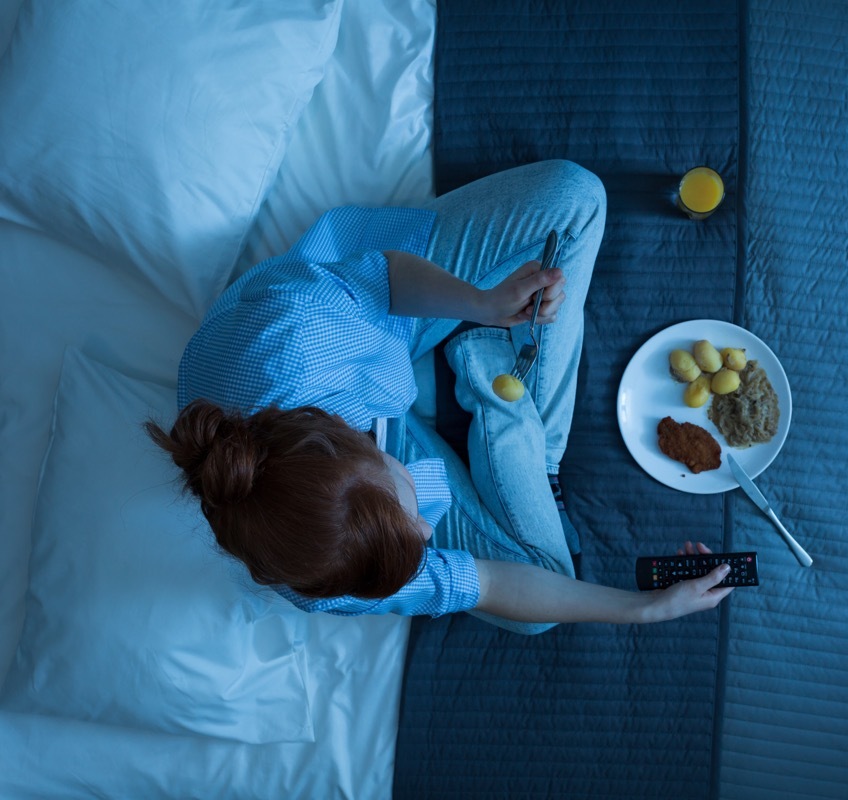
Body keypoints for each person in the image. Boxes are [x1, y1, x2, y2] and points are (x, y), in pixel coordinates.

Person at [147, 160, 733, 635]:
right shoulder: (321, 576)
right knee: (544, 604)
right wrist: (645, 608)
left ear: (353, 441)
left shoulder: (295, 335)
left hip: (380, 323)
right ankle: (520, 430)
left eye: (410, 516)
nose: (430, 534)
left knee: (576, 196)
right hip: (375, 424)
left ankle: (485, 357)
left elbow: (387, 277)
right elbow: (494, 584)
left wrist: (479, 302)